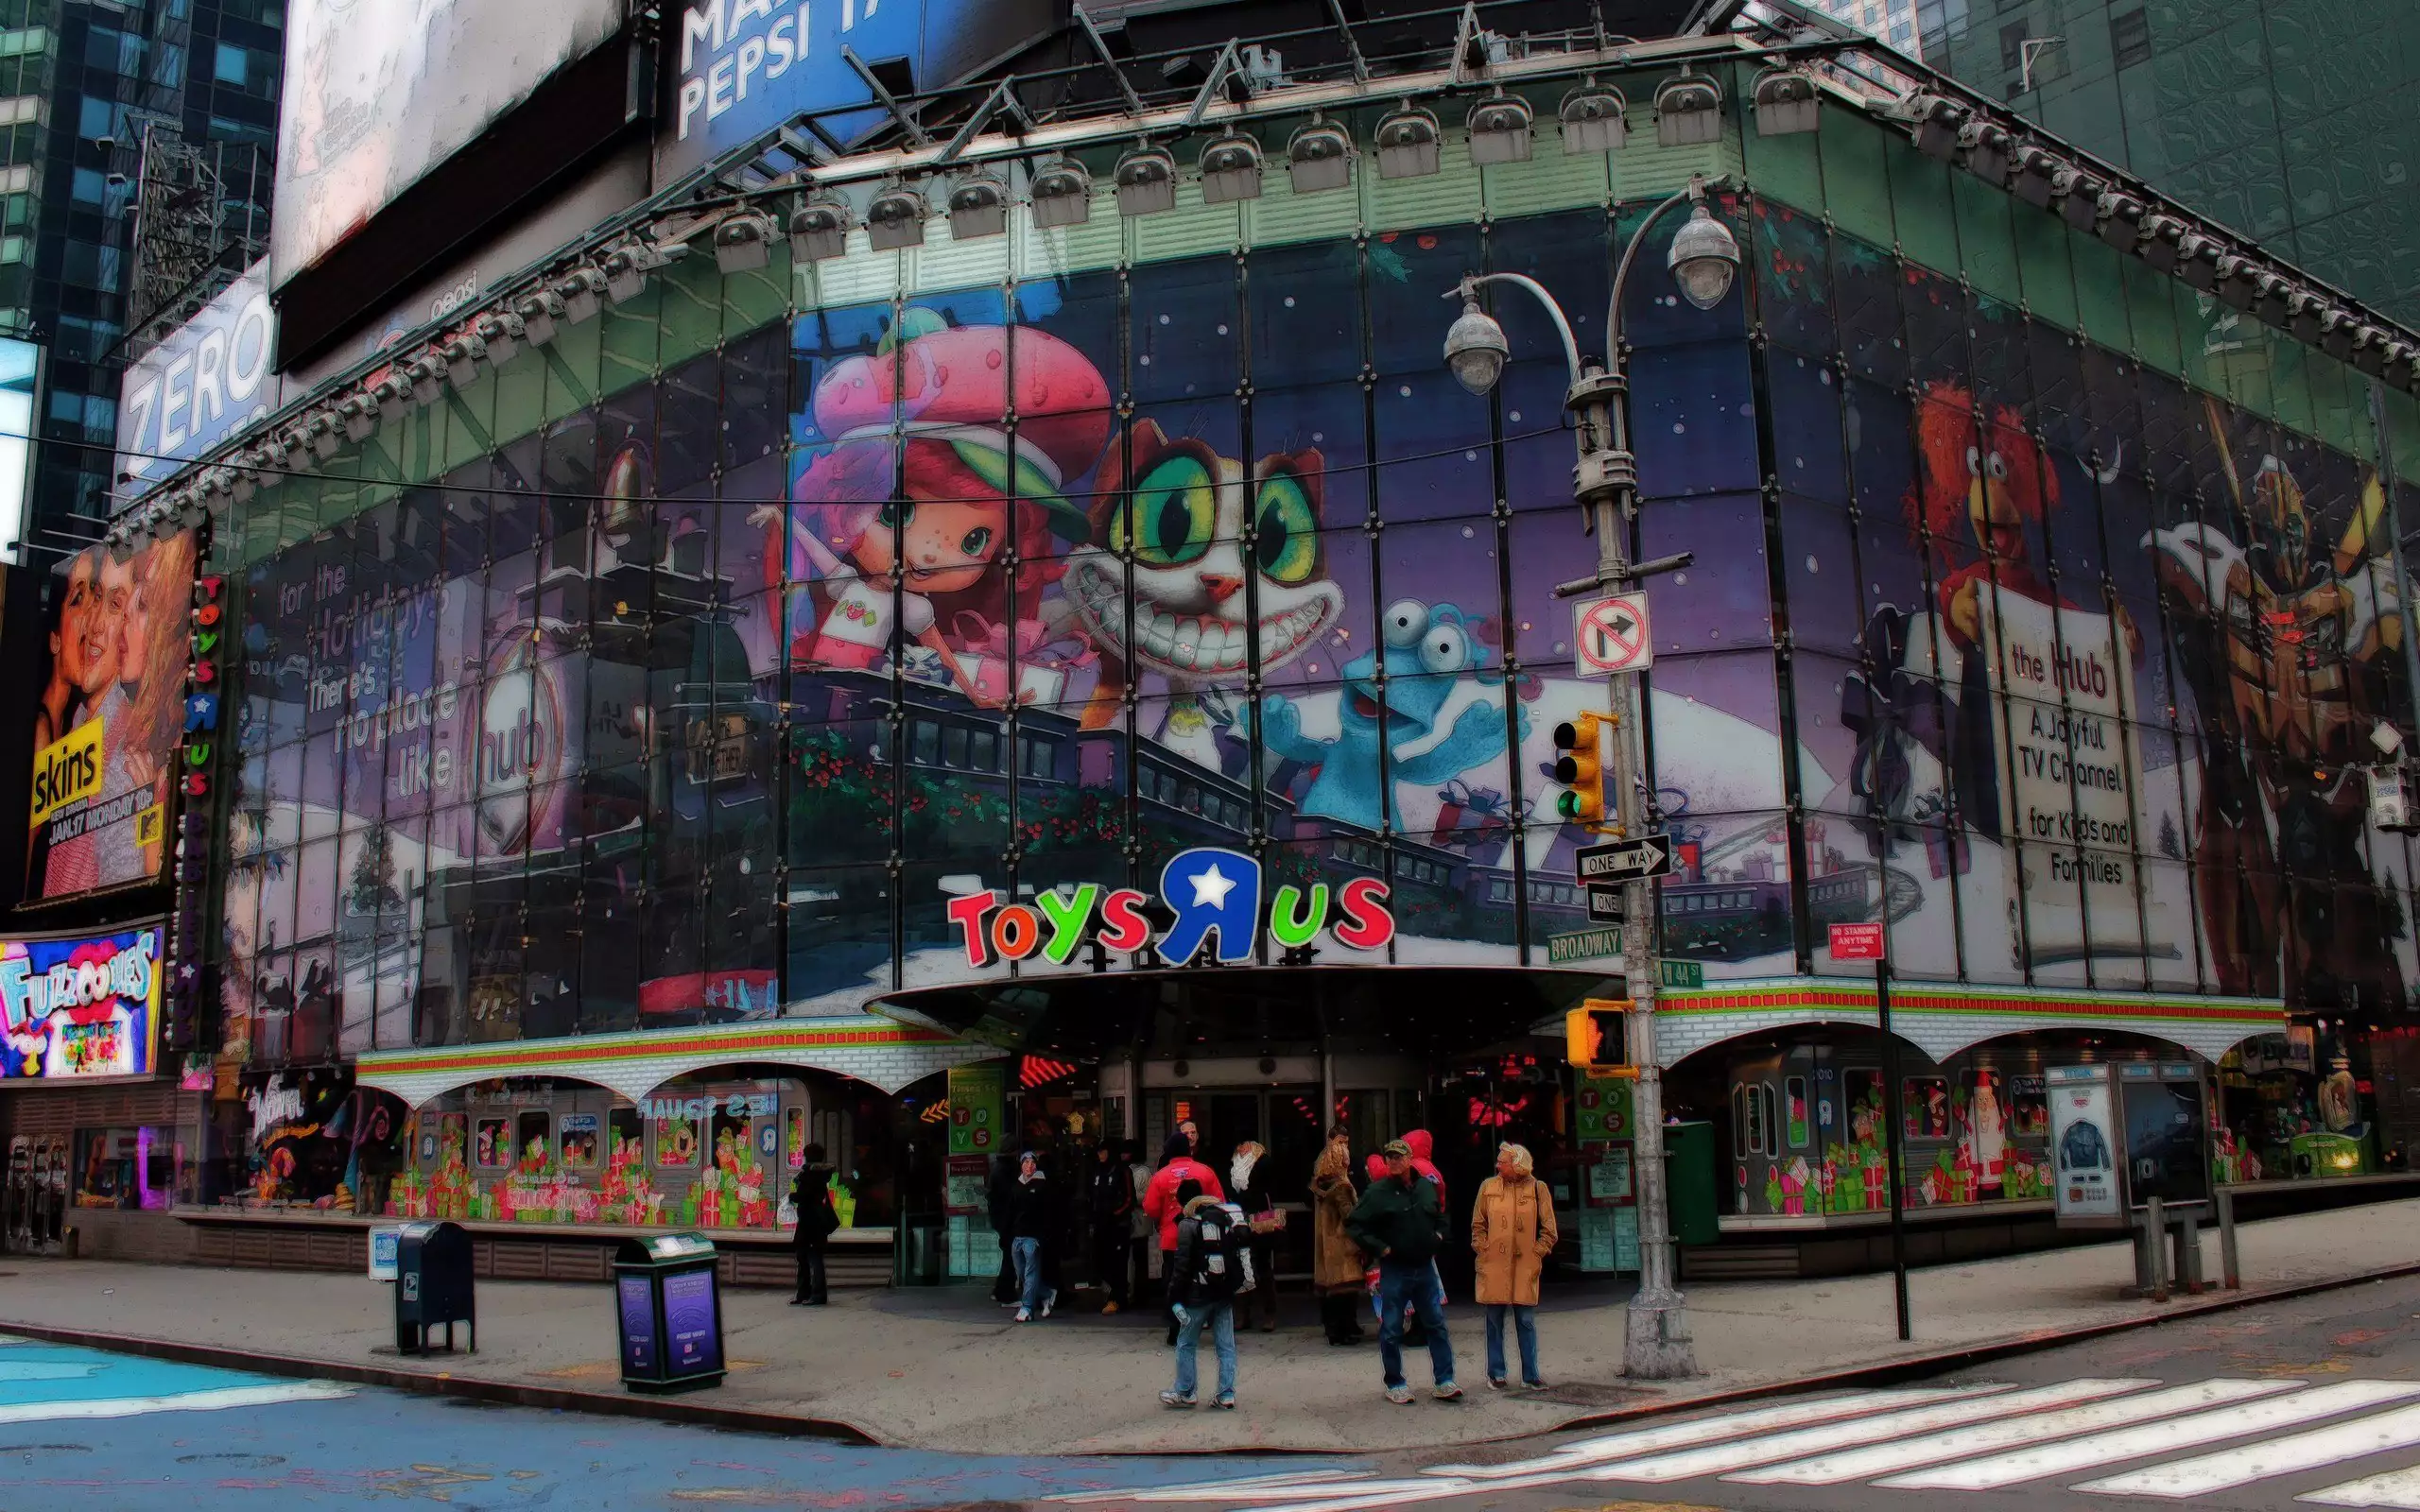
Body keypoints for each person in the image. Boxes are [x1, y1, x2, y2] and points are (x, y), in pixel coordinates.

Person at [1345, 1139, 1459, 1404]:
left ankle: (1445, 1381)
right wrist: (1380, 1248)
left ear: (1409, 1159)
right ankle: (1395, 1383)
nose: (1394, 1161)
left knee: (1436, 1325)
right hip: (1395, 1269)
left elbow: (1441, 1214)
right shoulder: (1377, 1192)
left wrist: (1439, 1235)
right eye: (1389, 1157)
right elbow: (1354, 1223)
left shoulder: (1425, 1187)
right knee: (1392, 1329)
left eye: (1398, 1157)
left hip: (1424, 1267)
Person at [1471, 1142, 1556, 1389]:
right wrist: (1483, 1248)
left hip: (1525, 1266)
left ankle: (1530, 1375)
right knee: (1494, 1321)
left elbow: (1549, 1229)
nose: (1498, 1165)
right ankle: (1496, 1374)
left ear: (1517, 1165)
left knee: (1526, 1321)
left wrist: (1537, 1252)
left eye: (1503, 1162)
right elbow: (1478, 1224)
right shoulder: (1488, 1187)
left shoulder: (1538, 1188)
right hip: (1494, 1265)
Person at [1161, 1178, 1248, 1409]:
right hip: (1224, 1293)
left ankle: (1185, 1391)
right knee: (1226, 1346)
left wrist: (1174, 1298)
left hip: (1198, 1294)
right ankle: (1226, 1394)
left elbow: (1181, 1267)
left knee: (1186, 1343)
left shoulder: (1187, 1224)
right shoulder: (1223, 1218)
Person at [1143, 1132, 1224, 1344]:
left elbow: (1150, 1208)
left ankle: (1175, 1329)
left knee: (1174, 1282)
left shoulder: (1160, 1176)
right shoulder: (1205, 1171)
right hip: (1203, 1237)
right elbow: (1219, 1203)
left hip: (1173, 1239)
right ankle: (1204, 1322)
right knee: (1203, 1281)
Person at [1310, 1126, 1365, 1346]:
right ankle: (1343, 1330)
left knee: (1330, 1291)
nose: (1345, 1149)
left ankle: (1333, 1328)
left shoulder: (1321, 1179)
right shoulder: (1341, 1185)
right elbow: (1349, 1216)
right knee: (1345, 1289)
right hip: (1342, 1242)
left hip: (1326, 1241)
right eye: (1342, 1143)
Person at [1228, 1141, 1281, 1332]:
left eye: (1245, 1144)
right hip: (1238, 1218)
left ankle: (1269, 1314)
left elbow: (1271, 1188)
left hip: (1260, 1218)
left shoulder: (1263, 1162)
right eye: (1239, 1145)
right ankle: (1243, 1315)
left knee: (1263, 1267)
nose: (1241, 1148)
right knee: (1241, 1266)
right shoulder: (1233, 1163)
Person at [1008, 1150, 1056, 1322]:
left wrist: (1044, 1234)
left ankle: (1027, 1307)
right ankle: (1047, 1293)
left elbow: (1047, 1212)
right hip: (1017, 1236)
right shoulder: (1016, 1185)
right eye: (1026, 1162)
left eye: (1032, 1162)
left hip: (1033, 1236)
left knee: (1030, 1272)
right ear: (1021, 1165)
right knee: (1022, 1272)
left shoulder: (1042, 1185)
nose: (1029, 1166)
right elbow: (1011, 1210)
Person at [789, 1143, 839, 1305]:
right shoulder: (819, 1174)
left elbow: (805, 1195)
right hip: (814, 1222)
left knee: (810, 1258)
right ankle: (805, 1293)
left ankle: (815, 1294)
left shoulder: (811, 1175)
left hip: (810, 1222)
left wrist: (792, 1196)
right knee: (807, 1257)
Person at [1089, 1140, 1134, 1313]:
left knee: (1118, 1263)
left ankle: (1117, 1299)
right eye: (1098, 1151)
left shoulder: (1123, 1171)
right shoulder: (1097, 1170)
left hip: (1118, 1225)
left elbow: (1129, 1198)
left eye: (1103, 1151)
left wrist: (1115, 1214)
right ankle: (1114, 1292)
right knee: (1100, 1261)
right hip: (1100, 1224)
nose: (1100, 1154)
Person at [987, 1152, 1020, 1305]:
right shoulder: (1006, 1172)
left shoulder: (999, 1169)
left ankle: (1001, 1290)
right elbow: (1009, 1198)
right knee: (1011, 1256)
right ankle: (1005, 1293)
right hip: (1008, 1220)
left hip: (1002, 1219)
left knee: (1009, 1255)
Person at [1125, 1141, 1154, 1309]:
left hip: (1139, 1219)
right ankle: (1135, 1292)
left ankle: (1140, 1293)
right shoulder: (1132, 1170)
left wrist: (1128, 1197)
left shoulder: (1142, 1172)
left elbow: (1144, 1196)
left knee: (1139, 1258)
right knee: (1136, 1258)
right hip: (1135, 1219)